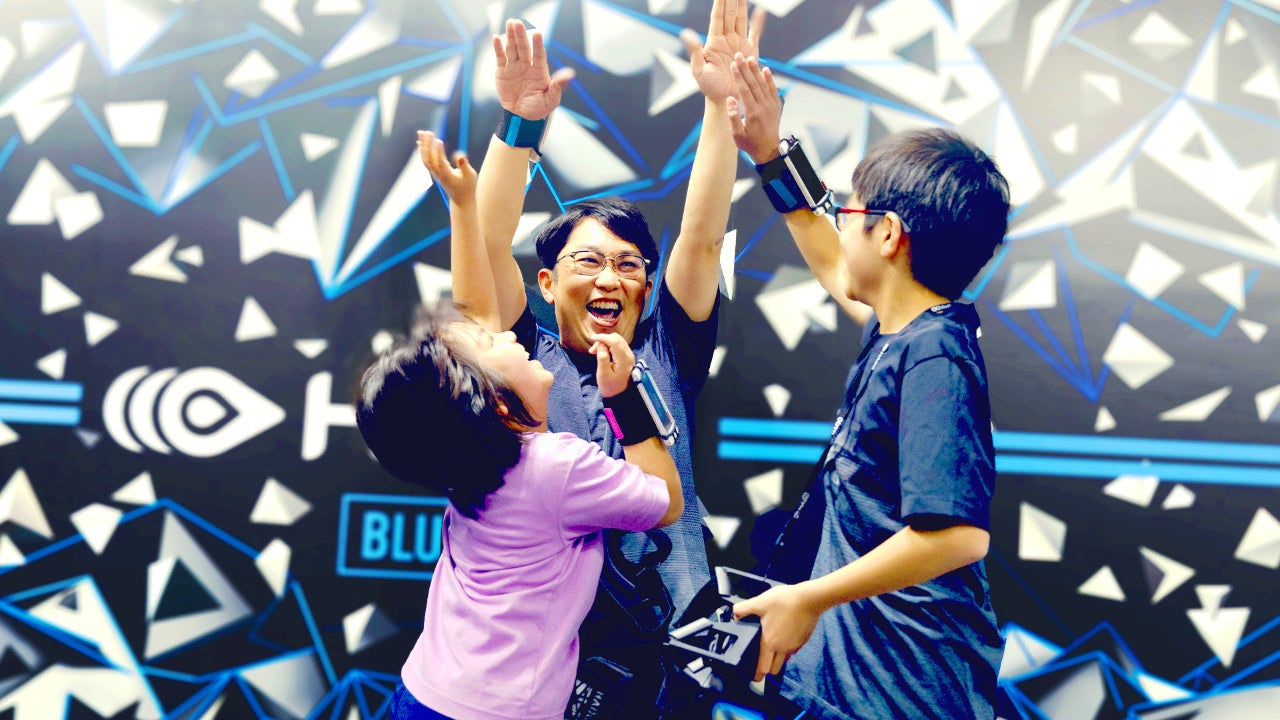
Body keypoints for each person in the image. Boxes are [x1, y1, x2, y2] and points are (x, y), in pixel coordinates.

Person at [468, 3, 764, 714]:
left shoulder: (667, 349)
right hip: (558, 654)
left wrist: (719, 109)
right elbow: (485, 243)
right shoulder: (524, 359)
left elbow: (702, 235)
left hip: (677, 652)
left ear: (648, 285)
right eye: (589, 262)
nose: (610, 279)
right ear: (546, 283)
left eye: (629, 265)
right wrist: (520, 130)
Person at [354, 133, 684, 720]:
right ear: (499, 404)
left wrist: (464, 204)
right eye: (494, 346)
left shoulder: (469, 455)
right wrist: (626, 402)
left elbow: (476, 310)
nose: (507, 335)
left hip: (425, 688)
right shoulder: (557, 466)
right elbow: (664, 502)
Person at [724, 54, 1010, 719]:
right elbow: (833, 263)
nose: (841, 225)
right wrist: (769, 155)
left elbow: (957, 537)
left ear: (888, 235)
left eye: (850, 212)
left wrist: (808, 598)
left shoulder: (935, 354)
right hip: (865, 678)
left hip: (907, 688)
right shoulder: (901, 329)